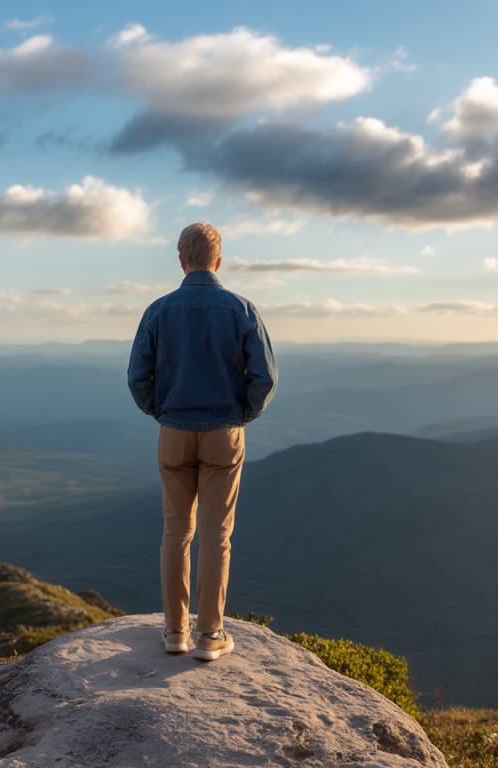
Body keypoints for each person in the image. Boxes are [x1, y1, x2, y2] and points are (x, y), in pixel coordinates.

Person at [127, 222, 278, 661]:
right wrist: (241, 415)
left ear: (181, 261)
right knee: (217, 535)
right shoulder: (241, 309)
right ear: (219, 260)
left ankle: (175, 632)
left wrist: (162, 412)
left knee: (176, 531)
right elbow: (264, 378)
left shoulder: (158, 311)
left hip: (174, 432)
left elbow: (138, 377)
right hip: (223, 433)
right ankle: (211, 635)